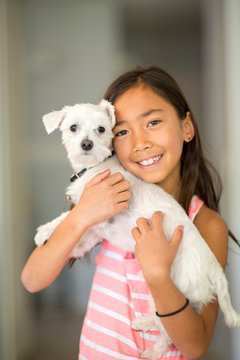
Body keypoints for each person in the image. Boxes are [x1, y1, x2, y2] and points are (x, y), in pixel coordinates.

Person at [22, 66, 233, 360]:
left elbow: (196, 346)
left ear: (186, 127)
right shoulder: (110, 196)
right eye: (121, 131)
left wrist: (159, 276)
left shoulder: (206, 225)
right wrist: (82, 215)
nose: (139, 143)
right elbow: (32, 279)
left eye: (153, 122)